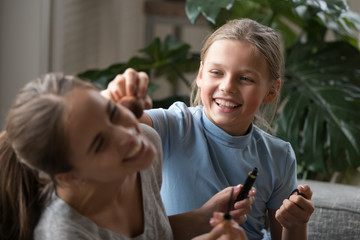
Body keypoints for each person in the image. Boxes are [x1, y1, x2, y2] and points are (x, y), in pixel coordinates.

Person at [103, 18, 315, 240]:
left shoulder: (279, 156)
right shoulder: (173, 125)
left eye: (245, 78)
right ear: (201, 75)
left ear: (272, 91)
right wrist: (113, 97)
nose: (227, 86)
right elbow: (108, 125)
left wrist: (296, 224)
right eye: (217, 72)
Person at [0, 73, 248, 240]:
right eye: (100, 143)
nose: (129, 135)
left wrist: (202, 218)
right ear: (71, 176)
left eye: (111, 113)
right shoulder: (65, 233)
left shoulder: (145, 149)